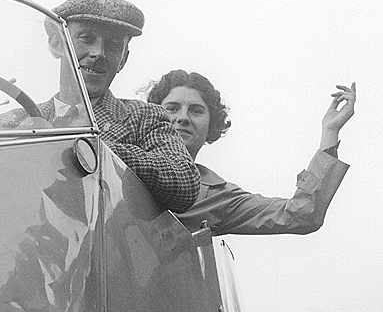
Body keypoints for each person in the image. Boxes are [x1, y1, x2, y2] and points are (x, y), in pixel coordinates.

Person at [0, 0, 200, 213]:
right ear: (57, 43)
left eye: (113, 45)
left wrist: (100, 151)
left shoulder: (144, 117)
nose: (98, 53)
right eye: (86, 38)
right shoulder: (16, 120)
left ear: (123, 59)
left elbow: (185, 183)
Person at [144, 69, 355, 235]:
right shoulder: (127, 158)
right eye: (172, 108)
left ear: (211, 124)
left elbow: (302, 213)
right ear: (151, 115)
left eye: (196, 111)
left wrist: (330, 131)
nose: (183, 117)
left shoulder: (218, 198)